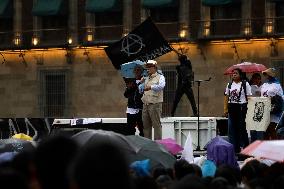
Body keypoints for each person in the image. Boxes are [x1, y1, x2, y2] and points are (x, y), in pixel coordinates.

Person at [224, 68, 252, 153]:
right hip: (232, 107)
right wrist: (225, 109)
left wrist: (249, 109)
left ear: (240, 75)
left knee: (242, 129)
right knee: (232, 129)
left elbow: (249, 97)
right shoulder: (229, 84)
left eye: (236, 73)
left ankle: (245, 149)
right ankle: (235, 149)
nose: (234, 75)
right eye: (233, 73)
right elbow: (226, 97)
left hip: (241, 107)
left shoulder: (245, 84)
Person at [140, 60, 165, 140]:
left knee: (156, 125)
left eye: (149, 67)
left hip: (155, 104)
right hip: (145, 104)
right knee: (146, 126)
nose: (148, 69)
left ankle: (158, 145)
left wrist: (151, 87)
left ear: (154, 67)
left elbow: (161, 86)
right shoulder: (146, 78)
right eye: (147, 68)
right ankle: (148, 145)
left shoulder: (160, 77)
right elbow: (141, 89)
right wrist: (140, 83)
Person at [261, 68, 284, 140]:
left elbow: (281, 98)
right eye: (264, 74)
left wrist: (272, 98)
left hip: (274, 110)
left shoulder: (277, 85)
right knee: (265, 130)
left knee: (271, 128)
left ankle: (275, 146)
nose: (265, 75)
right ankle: (266, 146)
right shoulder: (265, 84)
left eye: (266, 74)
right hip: (265, 109)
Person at [124, 65, 144, 136]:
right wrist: (131, 86)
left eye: (138, 70)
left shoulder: (145, 81)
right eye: (135, 70)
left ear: (142, 72)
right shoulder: (131, 82)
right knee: (130, 129)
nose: (136, 72)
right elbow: (126, 95)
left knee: (142, 129)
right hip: (131, 108)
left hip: (140, 108)